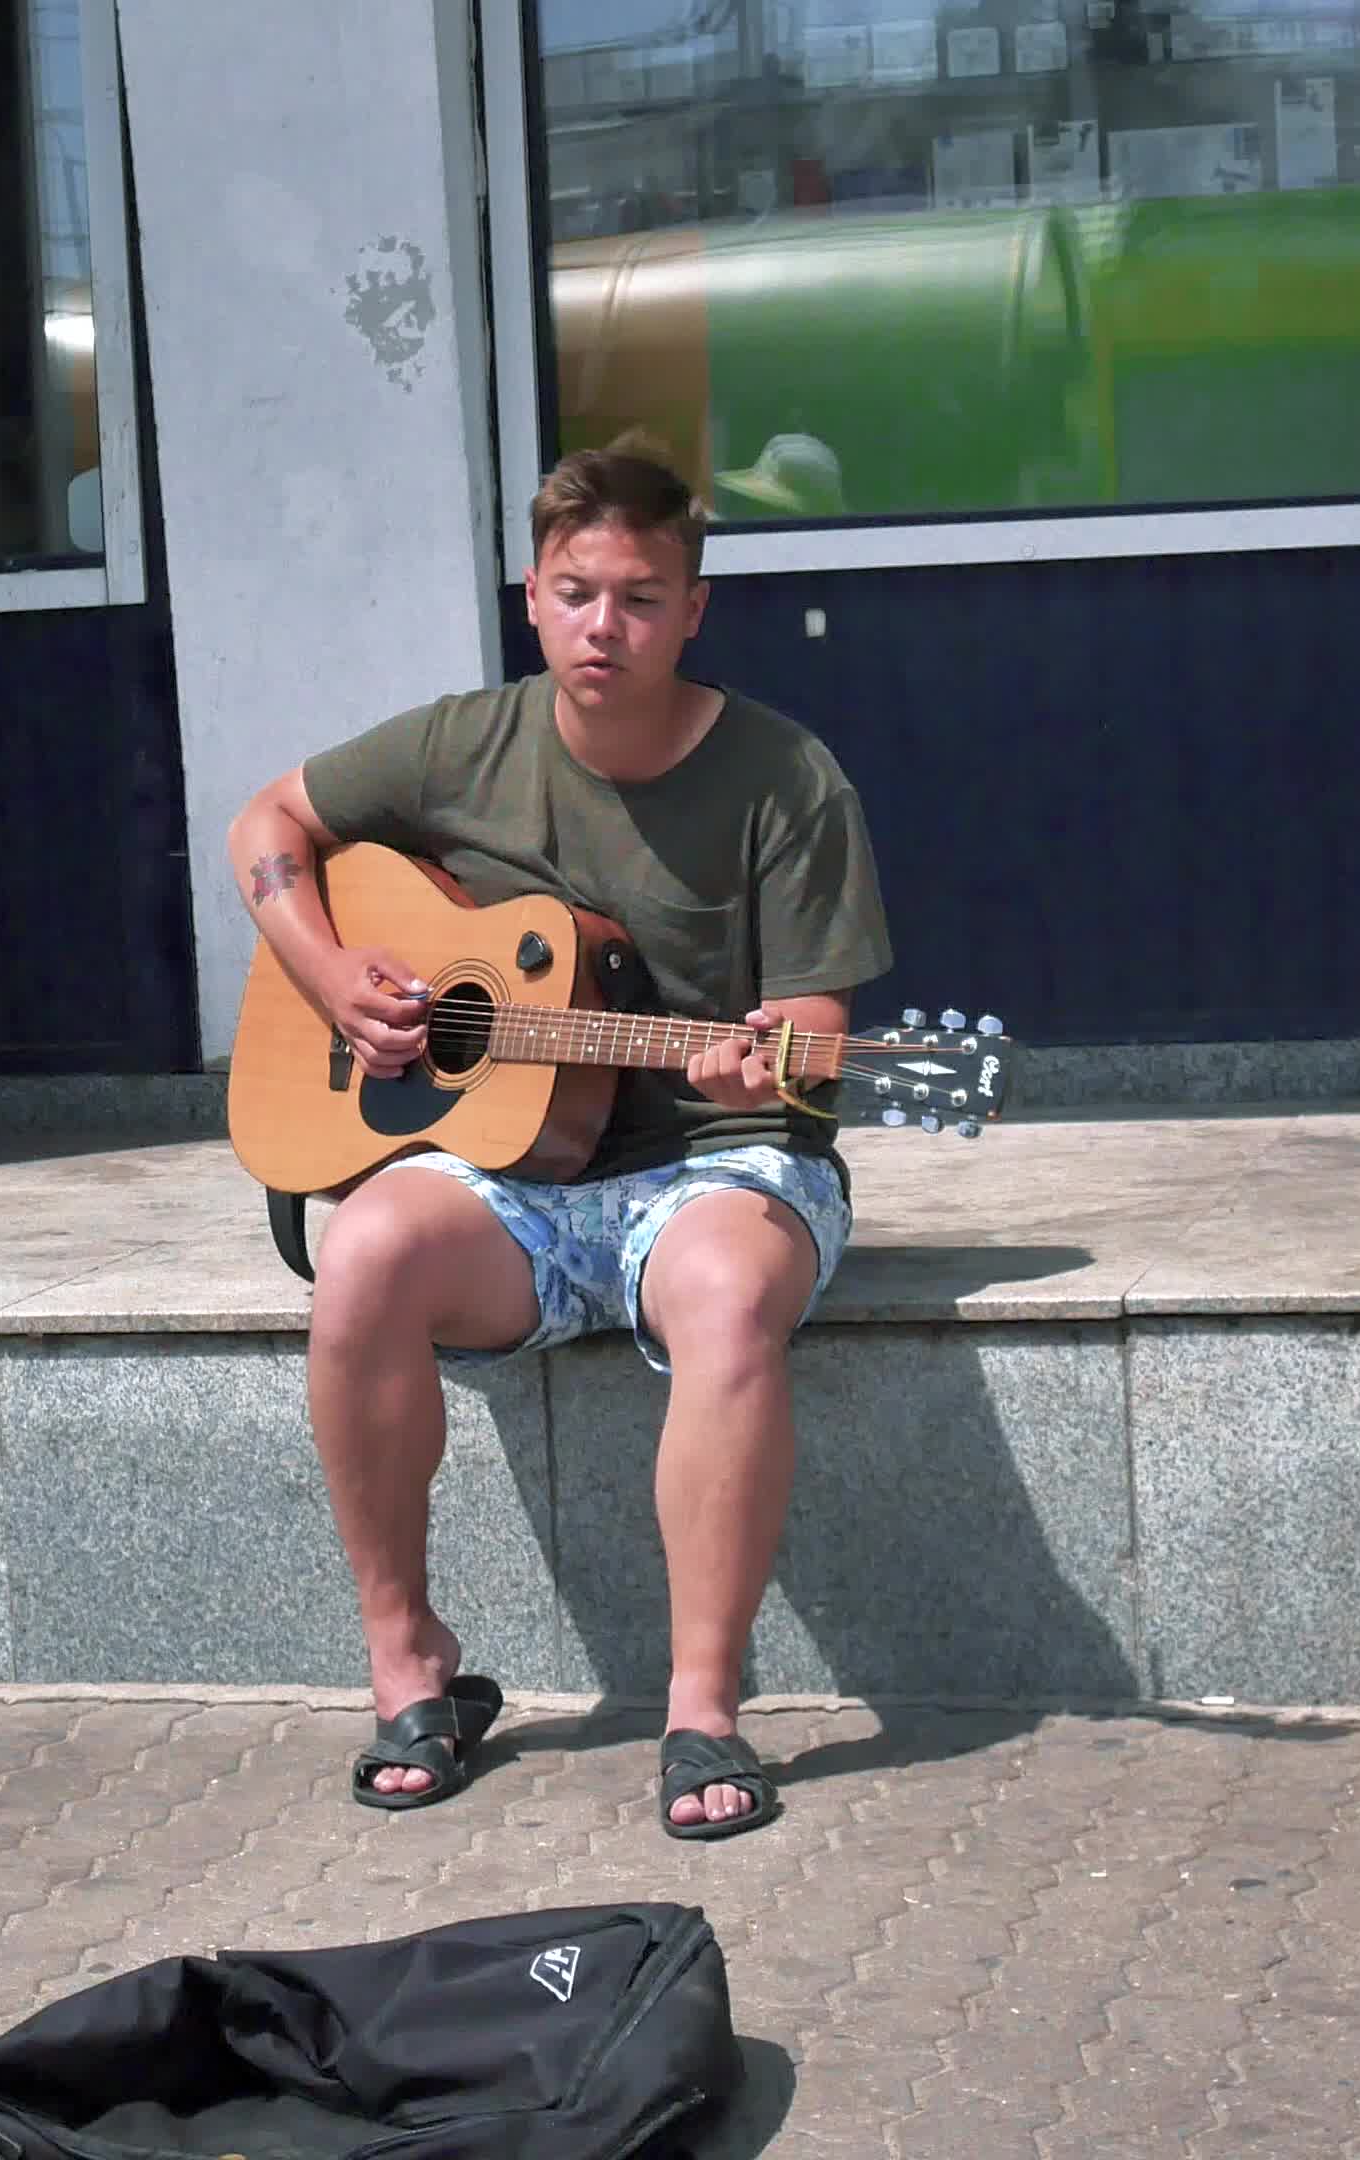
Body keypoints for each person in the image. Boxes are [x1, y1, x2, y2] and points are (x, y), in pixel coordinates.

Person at [217, 439, 892, 1841]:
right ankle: (412, 1667)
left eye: (642, 598)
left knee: (721, 1295)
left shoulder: (788, 777)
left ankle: (702, 1708)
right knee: (366, 1254)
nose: (606, 627)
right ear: (532, 595)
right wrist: (332, 971)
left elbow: (814, 1028)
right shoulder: (465, 742)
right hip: (513, 1177)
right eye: (578, 593)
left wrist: (747, 1053)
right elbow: (263, 824)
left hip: (718, 1164)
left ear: (693, 610)